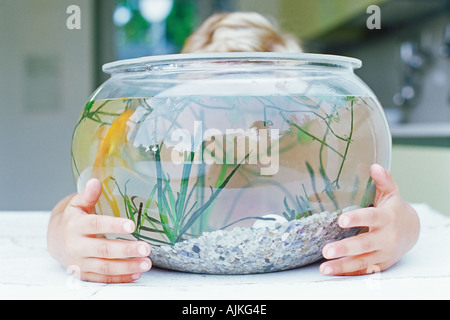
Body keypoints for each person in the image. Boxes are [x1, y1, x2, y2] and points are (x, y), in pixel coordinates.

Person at [47, 12, 420, 283]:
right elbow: (76, 208)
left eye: (259, 99)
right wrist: (66, 239)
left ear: (295, 103)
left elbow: (392, 214)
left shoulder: (313, 160)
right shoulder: (172, 158)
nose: (239, 119)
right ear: (183, 99)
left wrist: (400, 231)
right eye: (216, 98)